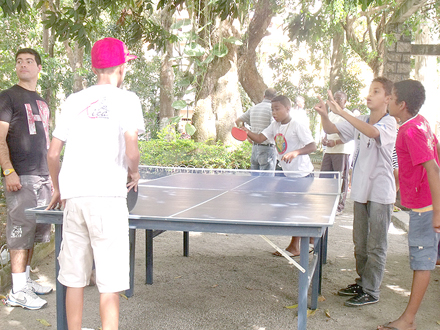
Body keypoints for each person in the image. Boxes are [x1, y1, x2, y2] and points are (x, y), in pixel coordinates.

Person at [46, 37, 145, 330]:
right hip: (108, 197)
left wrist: (58, 187)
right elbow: (132, 150)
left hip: (74, 197)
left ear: (93, 67)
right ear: (122, 67)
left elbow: (53, 154)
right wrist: (135, 172)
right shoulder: (128, 99)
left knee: (74, 277)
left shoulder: (73, 100)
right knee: (109, 281)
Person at [314, 77, 396, 307]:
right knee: (360, 243)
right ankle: (362, 282)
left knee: (376, 244)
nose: (369, 95)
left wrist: (342, 112)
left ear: (387, 99)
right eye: (369, 90)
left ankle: (372, 290)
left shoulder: (389, 124)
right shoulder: (360, 120)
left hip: (381, 192)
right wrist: (324, 114)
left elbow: (371, 132)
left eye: (376, 91)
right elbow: (332, 129)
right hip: (361, 190)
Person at [377, 79, 440, 330]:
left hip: (427, 208)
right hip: (425, 204)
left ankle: (408, 320)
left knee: (421, 262)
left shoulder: (409, 131)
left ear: (402, 104)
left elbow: (433, 168)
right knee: (422, 260)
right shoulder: (421, 122)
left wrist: (437, 212)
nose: (388, 101)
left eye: (391, 97)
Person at [1, 48, 53, 310]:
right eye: (19, 61)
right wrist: (8, 170)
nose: (23, 65)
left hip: (43, 177)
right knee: (20, 232)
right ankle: (17, 291)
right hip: (20, 176)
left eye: (29, 61)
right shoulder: (7, 97)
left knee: (34, 233)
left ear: (38, 68)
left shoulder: (42, 102)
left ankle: (26, 281)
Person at [243, 95, 316, 256]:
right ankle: (311, 237)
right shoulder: (274, 126)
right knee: (285, 205)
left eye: (277, 109)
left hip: (302, 175)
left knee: (294, 208)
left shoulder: (297, 125)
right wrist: (246, 132)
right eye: (272, 109)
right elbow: (260, 138)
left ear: (288, 108)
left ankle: (296, 246)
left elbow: (312, 146)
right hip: (286, 174)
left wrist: (295, 152)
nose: (274, 112)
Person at [320, 91, 353, 215]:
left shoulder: (348, 115)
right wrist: (324, 140)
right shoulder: (330, 114)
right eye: (335, 98)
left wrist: (336, 142)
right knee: (325, 176)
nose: (337, 101)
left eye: (340, 99)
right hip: (329, 151)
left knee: (341, 178)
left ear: (345, 101)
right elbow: (326, 129)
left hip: (342, 151)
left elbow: (352, 135)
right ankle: (325, 202)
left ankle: (339, 206)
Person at [235, 88, 277, 171]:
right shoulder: (272, 109)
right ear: (275, 98)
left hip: (255, 149)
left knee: (254, 181)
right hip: (267, 149)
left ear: (264, 96)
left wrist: (247, 137)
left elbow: (238, 121)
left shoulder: (253, 108)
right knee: (266, 182)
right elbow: (274, 127)